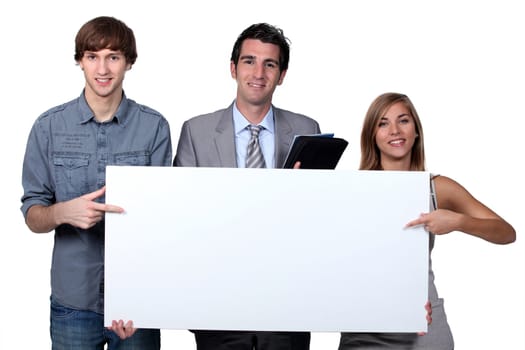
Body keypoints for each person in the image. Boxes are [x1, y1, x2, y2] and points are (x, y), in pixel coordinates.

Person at [20, 16, 172, 349]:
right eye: (92, 56)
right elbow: (32, 213)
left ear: (129, 62)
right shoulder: (48, 127)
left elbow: (162, 220)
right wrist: (63, 212)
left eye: (113, 57)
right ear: (80, 61)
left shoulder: (154, 127)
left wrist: (142, 300)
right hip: (73, 302)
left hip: (135, 304)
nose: (102, 69)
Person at [174, 23, 320, 350]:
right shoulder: (196, 132)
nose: (258, 72)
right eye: (249, 61)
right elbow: (181, 216)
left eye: (270, 64)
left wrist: (303, 199)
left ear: (282, 74)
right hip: (217, 301)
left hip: (286, 302)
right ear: (233, 68)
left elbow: (318, 222)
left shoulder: (306, 129)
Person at [338, 92, 516, 349]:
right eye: (383, 123)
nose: (395, 131)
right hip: (366, 329)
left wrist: (458, 221)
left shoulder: (436, 188)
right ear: (372, 135)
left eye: (403, 121)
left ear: (416, 130)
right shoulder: (350, 190)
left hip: (424, 327)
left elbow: (506, 232)